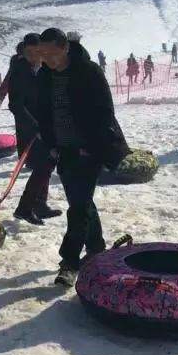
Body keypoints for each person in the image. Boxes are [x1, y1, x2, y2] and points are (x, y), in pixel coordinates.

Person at [35, 28, 128, 287]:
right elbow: (43, 113)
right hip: (63, 150)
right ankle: (96, 248)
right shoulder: (45, 76)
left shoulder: (88, 72)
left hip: (89, 149)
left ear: (65, 48)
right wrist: (51, 144)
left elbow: (105, 112)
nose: (46, 58)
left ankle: (69, 262)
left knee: (78, 206)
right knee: (82, 201)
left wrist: (93, 146)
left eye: (51, 53)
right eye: (43, 53)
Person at [8, 33, 61, 225]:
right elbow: (16, 105)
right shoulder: (20, 72)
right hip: (31, 130)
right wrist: (35, 127)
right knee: (41, 167)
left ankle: (40, 205)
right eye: (28, 52)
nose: (33, 55)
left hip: (46, 126)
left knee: (48, 164)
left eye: (36, 51)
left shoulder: (43, 69)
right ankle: (24, 208)